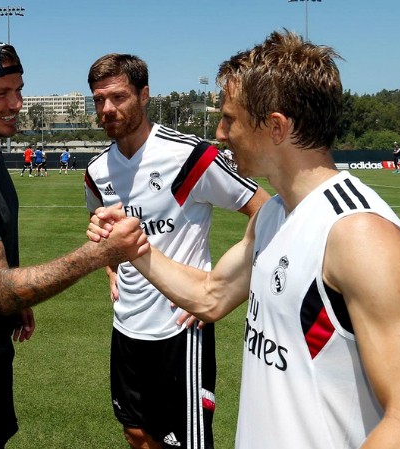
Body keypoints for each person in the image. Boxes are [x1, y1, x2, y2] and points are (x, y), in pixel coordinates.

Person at [91, 31, 400, 449]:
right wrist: (134, 246)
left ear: (275, 127)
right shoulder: (273, 216)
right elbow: (210, 295)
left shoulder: (358, 235)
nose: (221, 134)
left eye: (230, 119)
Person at [0, 41, 147, 449]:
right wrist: (99, 255)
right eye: (2, 93)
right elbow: (1, 290)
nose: (17, 102)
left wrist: (18, 303)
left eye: (18, 89)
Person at [85, 53, 269, 449]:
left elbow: (266, 209)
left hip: (180, 330)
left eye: (118, 97)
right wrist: (109, 265)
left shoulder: (189, 157)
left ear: (145, 94)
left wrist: (221, 289)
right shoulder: (97, 170)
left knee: (183, 444)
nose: (107, 109)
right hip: (127, 327)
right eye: (99, 100)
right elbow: (103, 230)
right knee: (136, 432)